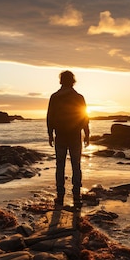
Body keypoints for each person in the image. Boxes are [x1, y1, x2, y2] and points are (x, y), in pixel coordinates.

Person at [46, 70, 90, 207]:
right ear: (73, 81)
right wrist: (87, 134)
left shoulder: (55, 97)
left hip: (60, 135)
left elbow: (50, 117)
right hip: (75, 136)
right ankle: (77, 196)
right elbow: (84, 117)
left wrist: (50, 134)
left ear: (61, 80)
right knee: (76, 166)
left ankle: (60, 196)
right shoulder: (79, 97)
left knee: (60, 166)